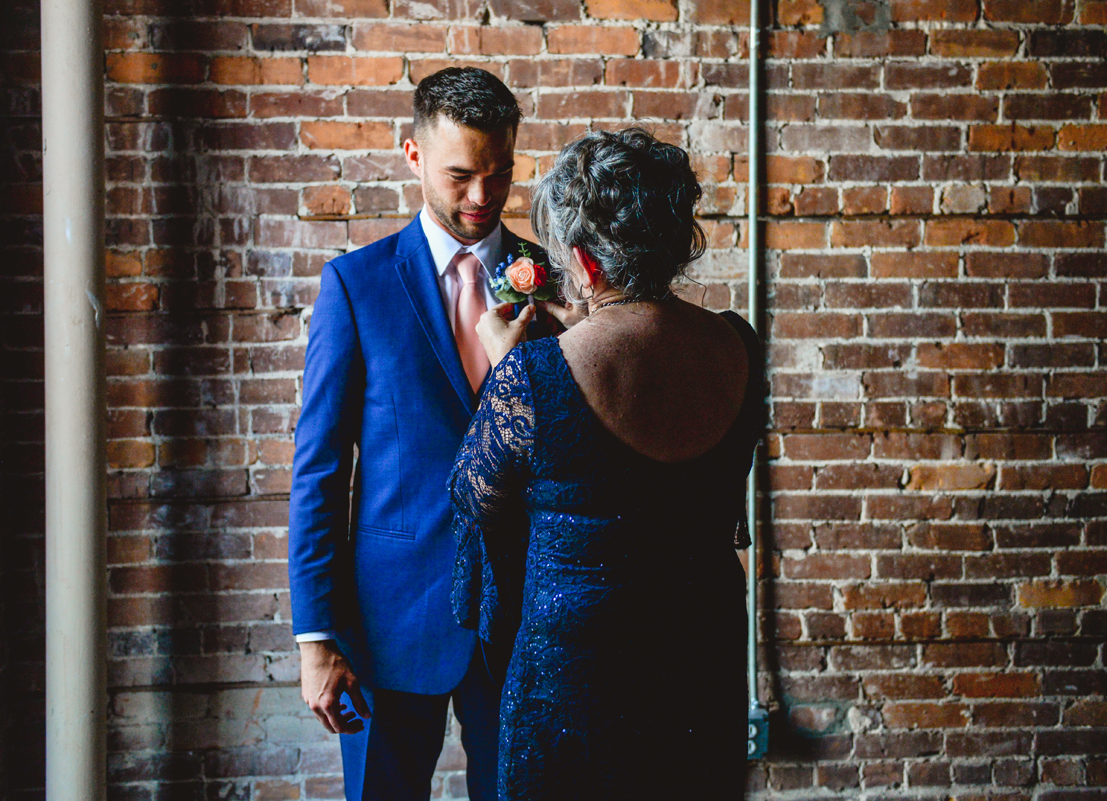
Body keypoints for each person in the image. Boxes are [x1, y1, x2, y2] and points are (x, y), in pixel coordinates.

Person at [448, 127, 762, 800]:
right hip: (701, 651)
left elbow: (473, 494)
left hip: (579, 675)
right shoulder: (738, 344)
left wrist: (512, 368)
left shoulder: (532, 374)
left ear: (584, 263)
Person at [288, 67, 547, 801]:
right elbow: (319, 472)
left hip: (523, 618)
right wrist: (316, 639)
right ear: (412, 156)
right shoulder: (356, 286)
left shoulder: (551, 281)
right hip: (389, 622)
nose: (480, 197)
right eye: (460, 174)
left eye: (499, 175)